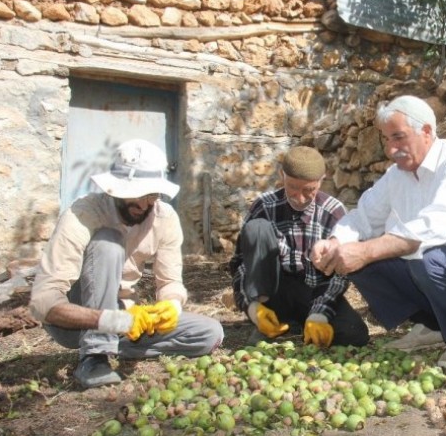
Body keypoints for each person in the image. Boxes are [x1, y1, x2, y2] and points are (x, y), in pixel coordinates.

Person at [311, 95, 446, 368]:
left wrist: (366, 250)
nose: (391, 149)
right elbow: (363, 218)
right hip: (433, 284)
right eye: (387, 140)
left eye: (398, 137)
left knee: (425, 253)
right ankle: (432, 324)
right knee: (356, 254)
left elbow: (435, 226)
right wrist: (334, 242)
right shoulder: (396, 175)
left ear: (426, 131)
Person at [29, 139, 224, 389]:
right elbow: (43, 303)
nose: (143, 204)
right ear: (114, 188)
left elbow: (170, 281)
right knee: (108, 243)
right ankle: (94, 356)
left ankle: (112, 344)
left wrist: (170, 307)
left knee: (208, 334)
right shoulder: (84, 214)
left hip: (123, 312)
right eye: (135, 193)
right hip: (74, 318)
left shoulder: (164, 218)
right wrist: (114, 321)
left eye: (151, 194)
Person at [229, 146, 369, 348]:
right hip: (273, 292)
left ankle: (302, 321)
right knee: (256, 229)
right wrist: (252, 307)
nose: (300, 197)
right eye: (292, 187)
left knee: (355, 335)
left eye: (309, 190)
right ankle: (267, 319)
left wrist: (320, 313)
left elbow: (341, 273)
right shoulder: (264, 206)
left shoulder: (334, 211)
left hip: (314, 292)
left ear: (321, 181)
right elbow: (241, 263)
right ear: (281, 176)